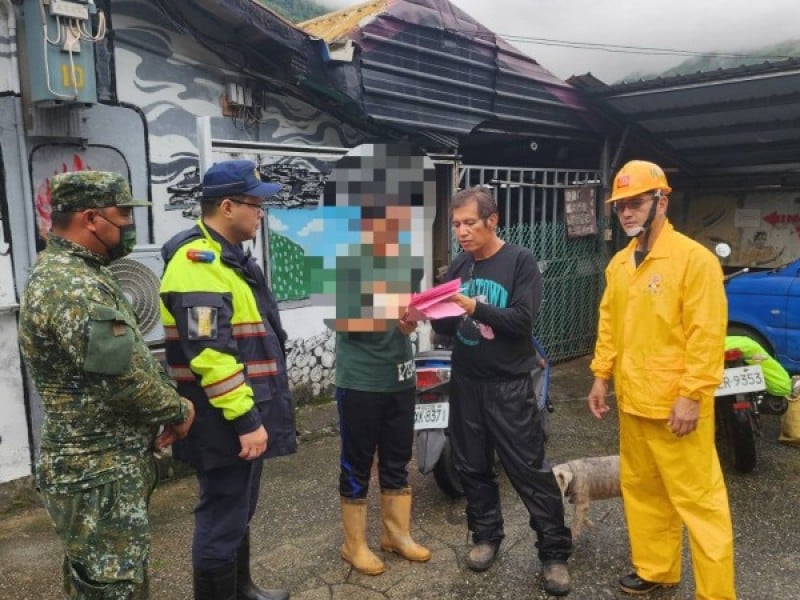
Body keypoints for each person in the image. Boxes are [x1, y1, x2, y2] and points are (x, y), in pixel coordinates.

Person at [18, 170, 195, 598]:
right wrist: (178, 410)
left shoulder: (78, 271)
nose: (129, 226)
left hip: (102, 468)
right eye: (123, 215)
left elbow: (124, 355)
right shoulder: (73, 284)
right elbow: (122, 377)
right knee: (113, 586)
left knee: (101, 580)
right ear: (91, 218)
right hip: (99, 472)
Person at [587, 160, 735, 598]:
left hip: (677, 408)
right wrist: (600, 375)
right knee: (643, 492)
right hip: (634, 402)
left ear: (661, 202)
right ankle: (656, 569)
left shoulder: (694, 261)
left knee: (700, 504)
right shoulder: (618, 265)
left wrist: (692, 395)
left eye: (636, 203)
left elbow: (706, 335)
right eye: (620, 206)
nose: (626, 213)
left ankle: (717, 593)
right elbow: (609, 323)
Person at [159, 160, 295, 600]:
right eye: (256, 204)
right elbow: (212, 356)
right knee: (221, 517)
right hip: (223, 421)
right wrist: (246, 420)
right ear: (227, 206)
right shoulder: (197, 262)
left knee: (238, 511)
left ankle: (243, 590)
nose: (261, 213)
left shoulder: (229, 260)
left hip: (239, 412)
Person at [431, 186, 572, 597]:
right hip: (466, 382)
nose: (462, 231)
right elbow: (445, 328)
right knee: (472, 466)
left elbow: (521, 321)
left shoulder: (520, 261)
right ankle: (486, 535)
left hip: (509, 384)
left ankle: (554, 553)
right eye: (456, 224)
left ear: (492, 221)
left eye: (469, 223)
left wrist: (472, 306)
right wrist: (430, 309)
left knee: (530, 471)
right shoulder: (460, 264)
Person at [334, 205, 431, 575]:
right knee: (357, 463)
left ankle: (396, 534)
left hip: (400, 378)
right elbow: (350, 325)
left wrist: (410, 323)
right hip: (361, 381)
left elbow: (403, 322)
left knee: (396, 458)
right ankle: (353, 544)